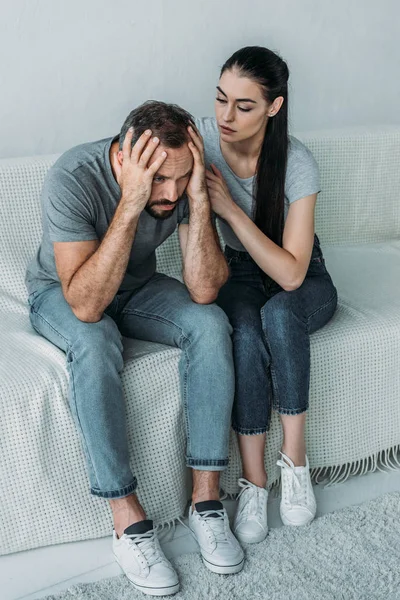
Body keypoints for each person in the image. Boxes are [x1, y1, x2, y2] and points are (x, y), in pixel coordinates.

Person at [25, 100, 245, 597]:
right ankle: (127, 519)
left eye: (178, 178)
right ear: (124, 160)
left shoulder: (183, 180)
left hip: (137, 289)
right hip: (65, 292)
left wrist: (201, 200)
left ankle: (205, 503)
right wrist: (131, 200)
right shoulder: (73, 177)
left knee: (210, 322)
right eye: (158, 180)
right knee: (95, 338)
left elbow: (205, 289)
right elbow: (85, 304)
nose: (168, 194)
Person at [194, 46, 338, 544]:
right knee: (246, 329)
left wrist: (232, 211)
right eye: (220, 99)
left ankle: (295, 464)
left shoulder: (297, 162)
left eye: (244, 105)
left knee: (279, 313)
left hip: (301, 274)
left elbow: (293, 273)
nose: (226, 116)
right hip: (237, 274)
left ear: (273, 107)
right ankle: (255, 482)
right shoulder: (203, 143)